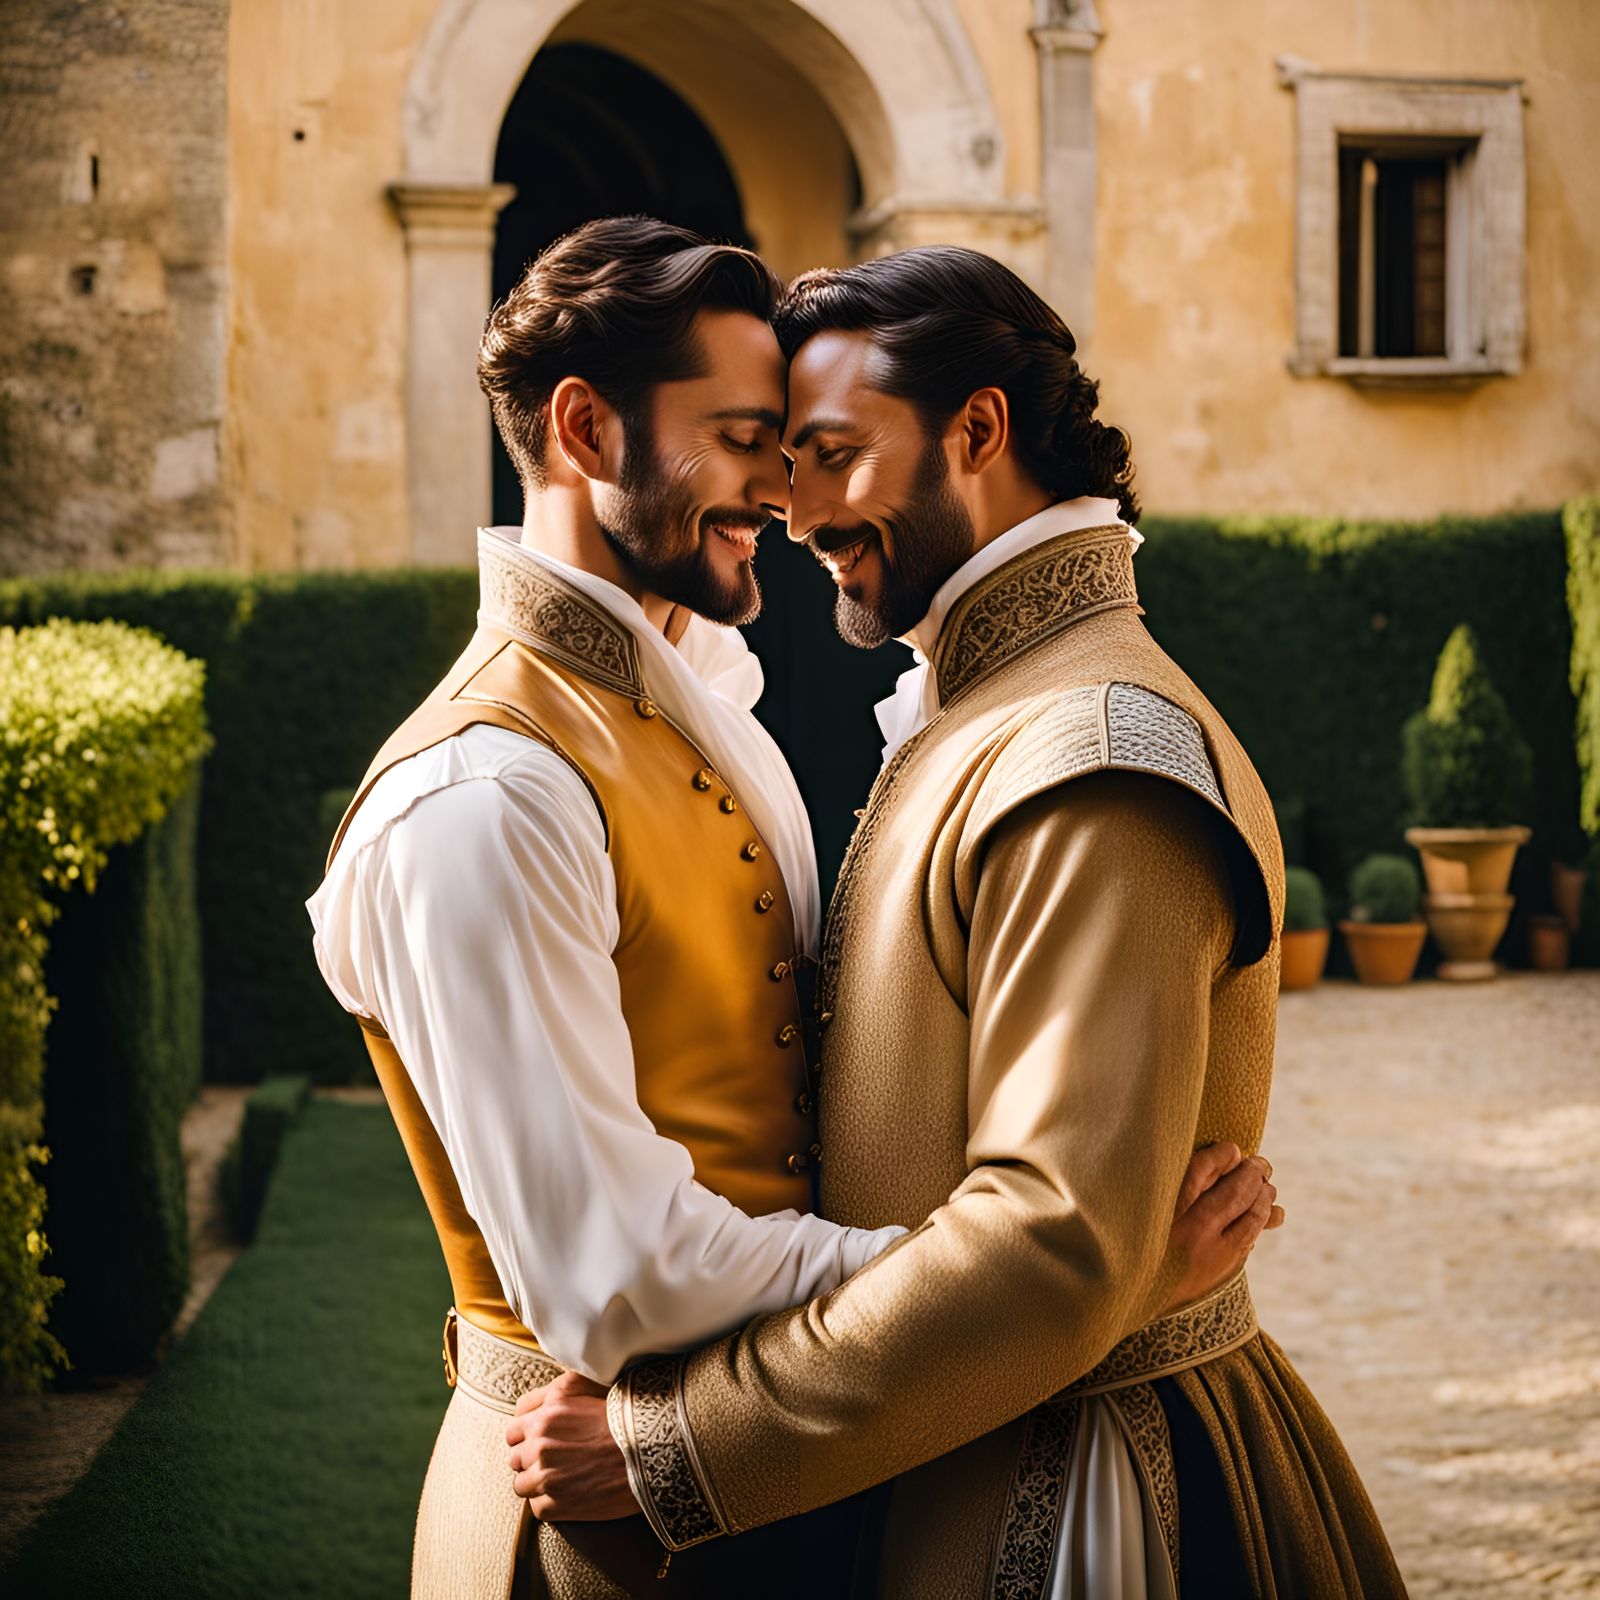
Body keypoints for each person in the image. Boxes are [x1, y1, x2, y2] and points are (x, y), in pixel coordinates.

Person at [308, 217, 1280, 1598]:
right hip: (591, 1520)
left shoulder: (725, 713)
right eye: (753, 436)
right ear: (585, 430)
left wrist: (1059, 1283)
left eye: (813, 445)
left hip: (788, 1490)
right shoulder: (481, 796)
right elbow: (613, 1277)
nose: (780, 494)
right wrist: (1078, 1290)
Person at [509, 247, 1407, 1599]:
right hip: (947, 1441)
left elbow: (1054, 1245)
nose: (792, 507)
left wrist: (679, 1446)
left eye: (827, 452)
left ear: (978, 428)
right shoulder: (1002, 712)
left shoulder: (1092, 750)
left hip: (1079, 1501)